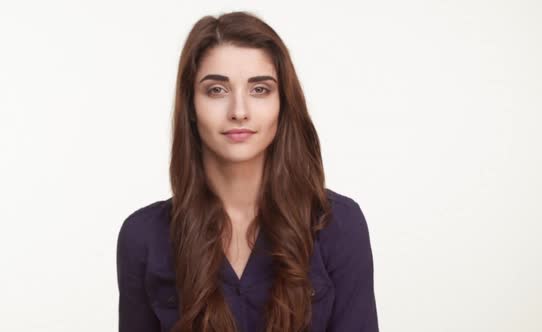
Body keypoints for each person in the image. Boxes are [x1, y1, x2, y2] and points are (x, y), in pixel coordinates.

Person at [116, 10, 379, 332]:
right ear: (191, 107)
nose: (239, 111)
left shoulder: (338, 223)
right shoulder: (143, 236)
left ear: (283, 105)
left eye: (260, 90)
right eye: (216, 90)